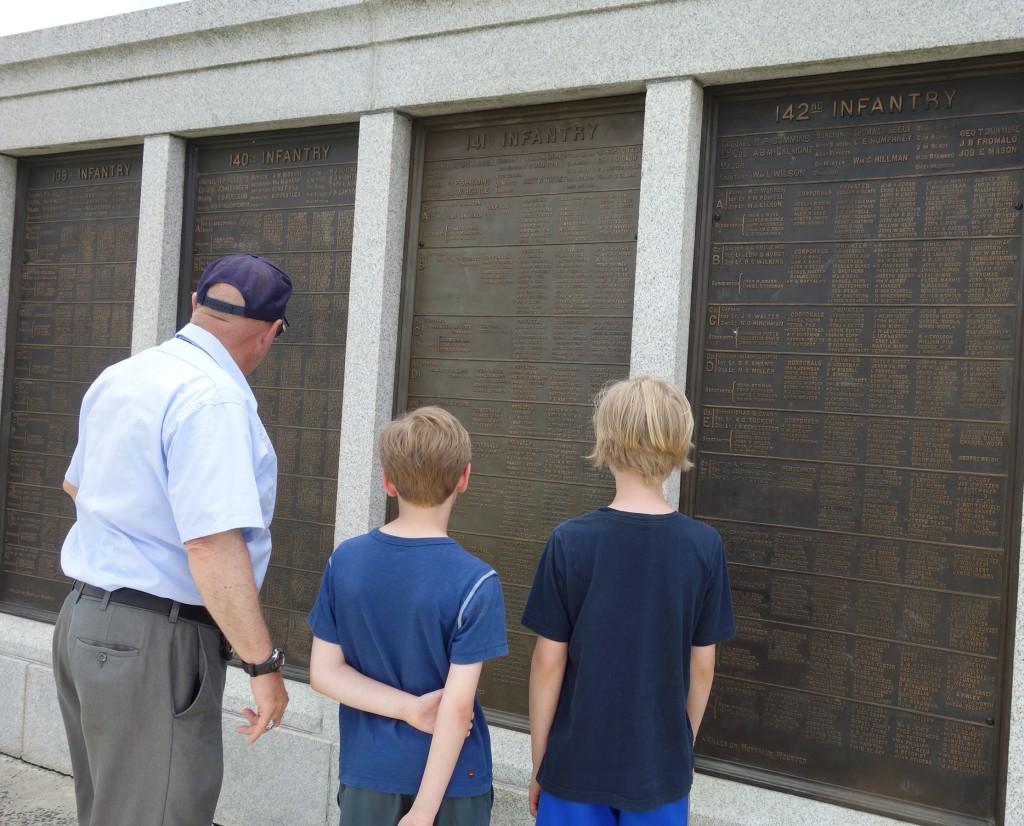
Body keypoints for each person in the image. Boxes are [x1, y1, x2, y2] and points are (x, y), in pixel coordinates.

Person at [52, 254, 293, 826]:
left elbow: (74, 484)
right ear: (269, 332)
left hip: (83, 621)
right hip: (153, 640)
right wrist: (264, 667)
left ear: (196, 304)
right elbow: (211, 544)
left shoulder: (124, 374)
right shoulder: (215, 398)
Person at [522, 375, 736, 825]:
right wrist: (681, 746)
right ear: (679, 447)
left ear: (605, 444)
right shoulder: (704, 546)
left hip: (573, 766)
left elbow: (547, 664)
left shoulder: (569, 542)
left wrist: (542, 761)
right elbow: (702, 666)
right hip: (659, 771)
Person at [307, 406, 508, 826]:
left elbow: (324, 673)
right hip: (452, 786)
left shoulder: (345, 561)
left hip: (368, 776)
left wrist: (407, 708)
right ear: (464, 478)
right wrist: (423, 812)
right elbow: (456, 707)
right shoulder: (476, 582)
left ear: (388, 481)